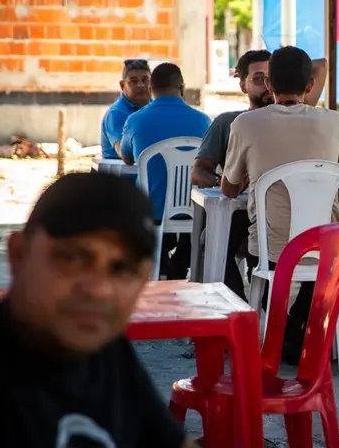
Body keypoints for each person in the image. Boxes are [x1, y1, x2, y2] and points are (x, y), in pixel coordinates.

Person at [0, 172, 308, 448]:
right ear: (18, 254)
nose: (99, 289)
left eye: (121, 268)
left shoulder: (105, 354)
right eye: (72, 258)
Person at [222, 46, 339, 365]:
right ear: (310, 86)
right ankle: (295, 329)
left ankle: (289, 329)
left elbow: (227, 188)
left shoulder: (245, 124)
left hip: (270, 247)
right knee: (321, 259)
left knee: (263, 260)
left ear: (268, 84)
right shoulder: (334, 122)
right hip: (327, 245)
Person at [191, 49, 273, 299]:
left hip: (280, 214)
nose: (267, 86)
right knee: (213, 238)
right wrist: (224, 181)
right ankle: (236, 307)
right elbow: (198, 172)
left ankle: (274, 312)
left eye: (272, 78)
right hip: (240, 211)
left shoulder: (298, 121)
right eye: (259, 79)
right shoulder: (228, 123)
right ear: (243, 85)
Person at [120, 63, 211, 280]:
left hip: (150, 209)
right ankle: (178, 270)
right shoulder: (204, 120)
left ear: (151, 89)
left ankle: (158, 268)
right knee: (200, 226)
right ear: (183, 88)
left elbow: (126, 157)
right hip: (193, 207)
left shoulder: (135, 120)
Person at [100, 59, 151, 160]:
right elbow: (124, 153)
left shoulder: (156, 107)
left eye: (145, 80)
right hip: (119, 173)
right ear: (122, 85)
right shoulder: (115, 114)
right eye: (134, 81)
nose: (141, 85)